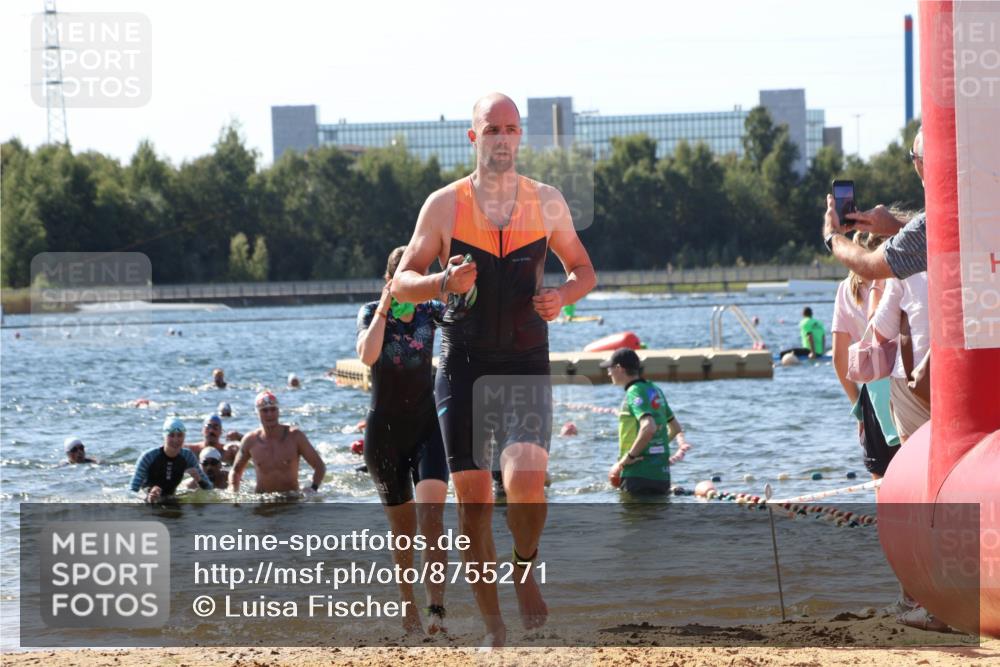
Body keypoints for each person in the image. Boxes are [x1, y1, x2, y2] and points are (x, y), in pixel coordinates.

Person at [392, 92, 596, 646]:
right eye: (492, 129)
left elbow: (583, 269)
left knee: (526, 481)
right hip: (463, 366)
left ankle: (524, 565)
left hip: (525, 362)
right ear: (473, 137)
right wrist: (442, 282)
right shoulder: (444, 206)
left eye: (511, 128)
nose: (502, 138)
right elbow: (401, 284)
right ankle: (494, 627)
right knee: (475, 509)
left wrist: (564, 296)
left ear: (520, 136)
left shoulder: (546, 201)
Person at [356, 246, 451, 635]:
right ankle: (408, 605)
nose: (417, 284)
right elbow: (367, 356)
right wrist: (384, 307)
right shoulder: (370, 312)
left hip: (427, 427)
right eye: (409, 277)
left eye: (422, 276)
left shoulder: (431, 311)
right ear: (391, 280)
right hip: (385, 435)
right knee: (403, 531)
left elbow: (467, 318)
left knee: (432, 519)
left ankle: (436, 610)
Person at [830, 233, 900, 478]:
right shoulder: (895, 278)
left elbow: (838, 358)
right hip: (905, 383)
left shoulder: (845, 290)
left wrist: (857, 407)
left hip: (873, 391)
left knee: (880, 476)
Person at [823, 129, 927, 281]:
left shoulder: (928, 226)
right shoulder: (955, 216)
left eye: (912, 155)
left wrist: (832, 236)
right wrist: (895, 225)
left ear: (922, 162)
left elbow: (869, 265)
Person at [603, 348, 690, 495]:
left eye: (610, 368)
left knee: (632, 511)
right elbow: (675, 428)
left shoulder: (634, 391)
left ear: (619, 368)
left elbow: (648, 427)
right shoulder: (655, 390)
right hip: (661, 475)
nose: (608, 373)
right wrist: (653, 447)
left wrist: (628, 458)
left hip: (637, 474)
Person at [229, 391, 326, 495]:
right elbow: (235, 471)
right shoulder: (250, 440)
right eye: (264, 410)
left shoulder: (295, 436)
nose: (269, 414)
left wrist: (313, 488)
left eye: (273, 409)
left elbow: (319, 466)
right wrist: (234, 492)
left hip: (291, 498)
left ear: (278, 411)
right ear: (257, 413)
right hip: (262, 500)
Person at [130, 417, 211, 503]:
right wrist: (148, 494)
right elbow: (132, 491)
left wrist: (199, 480)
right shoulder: (148, 457)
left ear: (184, 437)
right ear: (164, 436)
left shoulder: (187, 456)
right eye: (171, 435)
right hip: (147, 501)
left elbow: (209, 487)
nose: (176, 440)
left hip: (171, 500)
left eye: (180, 435)